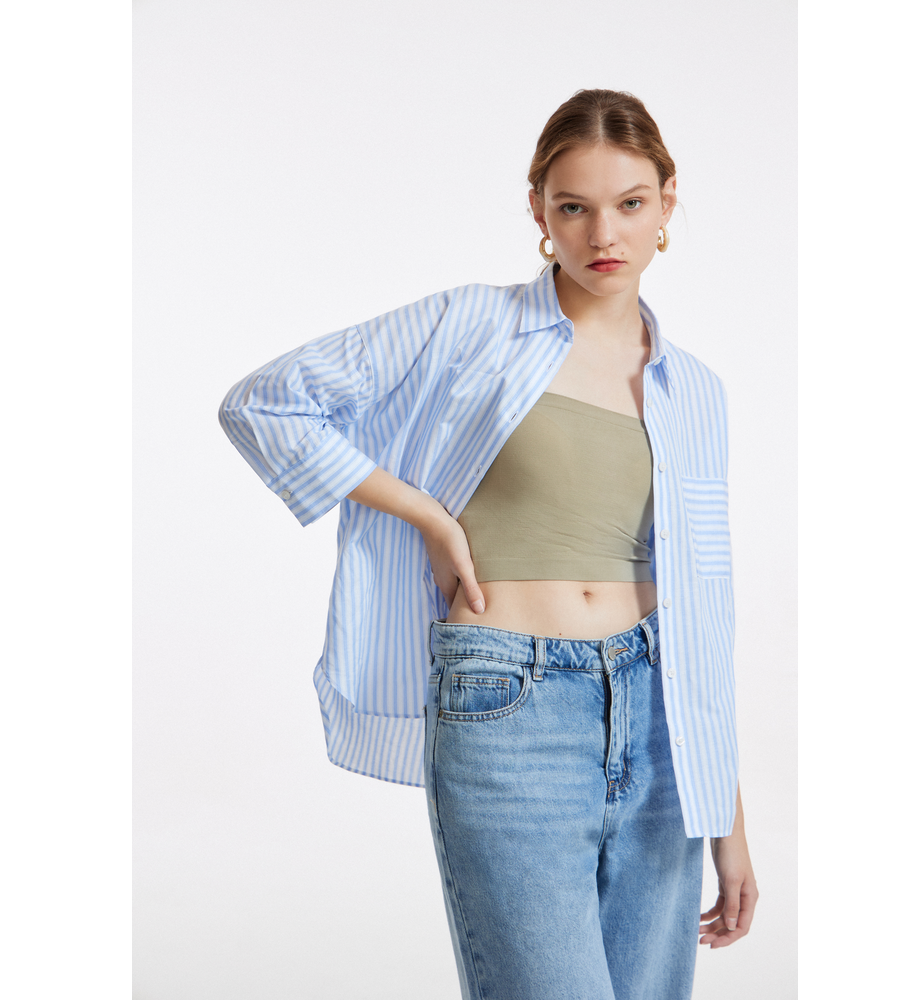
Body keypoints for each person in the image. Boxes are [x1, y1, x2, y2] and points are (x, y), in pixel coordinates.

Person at [219, 88, 757, 1000]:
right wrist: (427, 514)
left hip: (661, 723)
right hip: (512, 707)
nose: (603, 234)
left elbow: (704, 619)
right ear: (539, 212)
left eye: (630, 203)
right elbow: (264, 403)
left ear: (668, 203)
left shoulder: (695, 390)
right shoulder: (473, 326)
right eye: (573, 207)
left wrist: (730, 825)